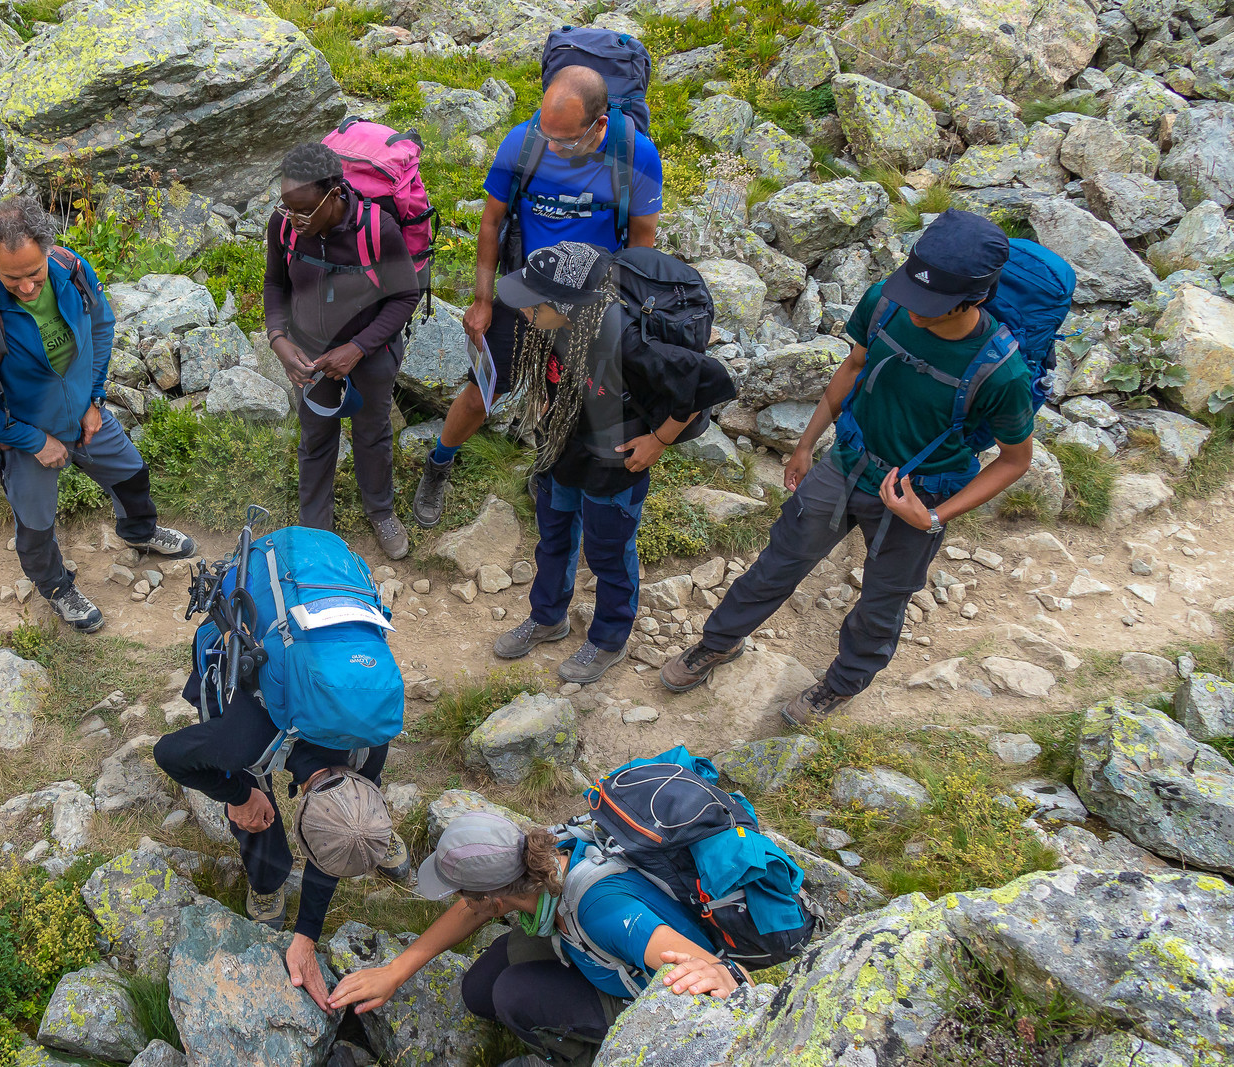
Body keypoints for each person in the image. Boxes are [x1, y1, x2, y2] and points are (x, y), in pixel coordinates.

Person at [661, 209, 1035, 726]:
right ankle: (718, 643)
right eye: (913, 295)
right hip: (845, 463)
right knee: (779, 561)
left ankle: (840, 684)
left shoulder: (1002, 372)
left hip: (920, 495)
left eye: (932, 306)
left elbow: (1016, 460)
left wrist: (932, 518)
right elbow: (855, 366)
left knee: (882, 602)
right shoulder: (886, 300)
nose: (916, 311)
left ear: (974, 299)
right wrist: (806, 442)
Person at [411, 66, 664, 530]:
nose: (552, 149)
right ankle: (439, 462)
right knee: (484, 387)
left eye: (565, 141)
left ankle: (548, 469)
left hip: (592, 300)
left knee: (565, 391)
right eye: (546, 134)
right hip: (525, 288)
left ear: (599, 126)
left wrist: (622, 310)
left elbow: (642, 243)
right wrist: (483, 300)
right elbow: (491, 222)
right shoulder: (523, 141)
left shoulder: (636, 157)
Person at [0, 197, 195, 634]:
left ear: (47, 250)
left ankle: (139, 532)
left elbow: (101, 326)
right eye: (11, 277)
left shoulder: (73, 271)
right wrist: (35, 442)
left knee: (131, 473)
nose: (25, 287)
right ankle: (56, 587)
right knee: (36, 523)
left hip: (84, 415)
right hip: (23, 432)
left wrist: (95, 401)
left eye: (34, 273)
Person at [487, 242, 734, 684]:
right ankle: (548, 618)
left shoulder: (628, 340)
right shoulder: (556, 322)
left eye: (531, 303)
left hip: (615, 460)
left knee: (609, 552)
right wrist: (546, 396)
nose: (522, 311)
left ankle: (608, 640)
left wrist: (658, 441)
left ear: (563, 303)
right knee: (554, 537)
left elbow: (706, 380)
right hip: (561, 445)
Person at [328, 813, 745, 1066]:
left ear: (494, 896)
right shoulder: (543, 852)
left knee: (513, 996)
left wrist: (726, 977)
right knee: (479, 991)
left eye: (459, 891)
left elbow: (715, 969)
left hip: (629, 982)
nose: (459, 900)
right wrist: (395, 971)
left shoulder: (601, 911)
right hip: (585, 948)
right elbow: (474, 908)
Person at [152, 673, 411, 1011]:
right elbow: (167, 752)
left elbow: (335, 835)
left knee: (353, 816)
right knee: (251, 806)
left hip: (338, 683)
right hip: (249, 682)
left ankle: (368, 834)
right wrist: (238, 794)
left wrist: (306, 934)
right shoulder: (243, 743)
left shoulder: (373, 731)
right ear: (301, 823)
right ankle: (266, 880)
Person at [263, 142, 420, 560]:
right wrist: (279, 338)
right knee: (315, 435)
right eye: (286, 206)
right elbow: (275, 285)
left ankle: (381, 512)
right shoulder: (283, 227)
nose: (294, 219)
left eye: (304, 210)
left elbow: (405, 296)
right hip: (310, 353)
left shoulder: (377, 229)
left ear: (334, 196)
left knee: (372, 433)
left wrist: (358, 348)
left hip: (370, 352)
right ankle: (316, 527)